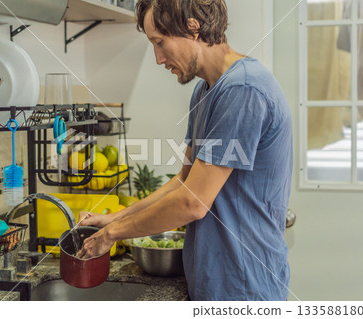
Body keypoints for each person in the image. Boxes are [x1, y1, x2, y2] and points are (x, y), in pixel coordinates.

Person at [76, 0, 293, 301]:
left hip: (245, 287)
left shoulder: (242, 91)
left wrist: (111, 235)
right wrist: (116, 219)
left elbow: (192, 203)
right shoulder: (205, 90)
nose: (158, 57)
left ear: (193, 28)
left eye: (160, 42)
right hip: (215, 281)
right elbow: (184, 182)